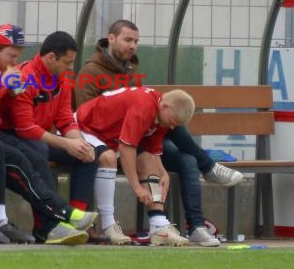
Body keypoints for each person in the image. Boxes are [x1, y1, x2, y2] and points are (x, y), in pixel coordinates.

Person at [74, 19, 244, 246]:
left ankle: (184, 226)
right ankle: (208, 166)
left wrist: (161, 169)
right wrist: (135, 186)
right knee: (128, 153)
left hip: (131, 134)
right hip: (98, 132)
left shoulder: (134, 72)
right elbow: (117, 134)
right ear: (111, 38)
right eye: (127, 40)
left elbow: (152, 128)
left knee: (185, 160)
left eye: (136, 41)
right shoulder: (91, 71)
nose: (133, 46)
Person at [0, 24, 98, 245]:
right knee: (31, 153)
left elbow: (65, 117)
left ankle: (60, 220)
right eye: (12, 56)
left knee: (55, 155)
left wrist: (78, 143)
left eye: (17, 57)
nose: (15, 62)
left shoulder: (10, 69)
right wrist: (3, 84)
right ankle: (59, 217)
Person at [1, 31, 131, 245]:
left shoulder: (62, 79)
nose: (71, 68)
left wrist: (78, 142)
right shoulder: (24, 77)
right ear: (51, 57)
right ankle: (48, 224)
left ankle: (76, 220)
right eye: (67, 63)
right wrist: (66, 143)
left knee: (89, 153)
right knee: (39, 151)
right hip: (17, 137)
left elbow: (64, 118)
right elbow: (24, 128)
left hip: (42, 137)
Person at [76, 87, 195, 246]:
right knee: (108, 158)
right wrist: (137, 187)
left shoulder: (161, 112)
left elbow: (152, 150)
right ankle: (108, 225)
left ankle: (158, 225)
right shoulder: (145, 106)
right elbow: (126, 148)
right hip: (85, 127)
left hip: (110, 138)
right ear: (165, 106)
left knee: (147, 160)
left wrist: (162, 172)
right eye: (172, 122)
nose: (172, 127)